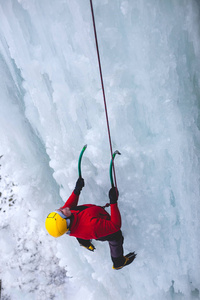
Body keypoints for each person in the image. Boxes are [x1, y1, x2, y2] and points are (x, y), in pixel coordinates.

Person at [45, 178, 135, 270]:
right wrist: (113, 203)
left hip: (84, 222)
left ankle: (84, 242)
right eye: (61, 212)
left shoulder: (67, 221)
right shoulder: (91, 226)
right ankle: (118, 261)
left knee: (77, 229)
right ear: (66, 220)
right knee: (116, 236)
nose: (62, 208)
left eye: (58, 211)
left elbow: (69, 206)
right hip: (94, 227)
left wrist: (77, 190)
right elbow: (115, 226)